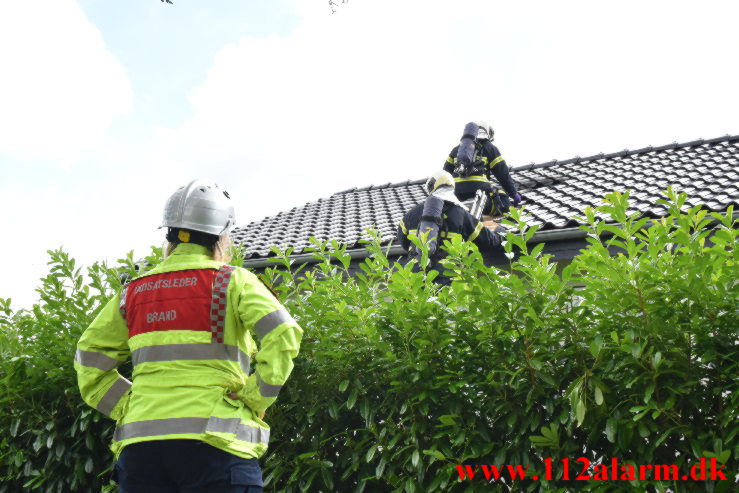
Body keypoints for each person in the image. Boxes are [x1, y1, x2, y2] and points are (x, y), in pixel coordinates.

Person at [74, 178, 303, 492]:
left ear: (169, 236)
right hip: (216, 443)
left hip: (141, 452)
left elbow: (89, 360)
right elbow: (283, 332)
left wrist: (129, 405)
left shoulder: (133, 293)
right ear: (221, 238)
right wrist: (254, 397)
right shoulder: (233, 281)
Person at [397, 171, 506, 285]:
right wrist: (501, 234)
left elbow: (403, 242)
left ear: (431, 187)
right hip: (447, 278)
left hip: (414, 276)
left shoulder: (412, 214)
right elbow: (486, 240)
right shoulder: (461, 213)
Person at [443, 121, 522, 216]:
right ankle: (482, 207)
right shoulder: (490, 148)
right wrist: (514, 194)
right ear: (487, 132)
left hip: (457, 194)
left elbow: (444, 174)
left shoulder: (456, 150)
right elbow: (503, 174)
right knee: (504, 199)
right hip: (478, 192)